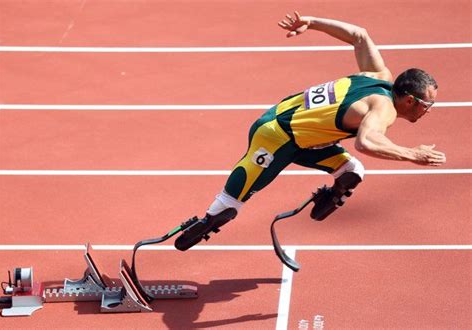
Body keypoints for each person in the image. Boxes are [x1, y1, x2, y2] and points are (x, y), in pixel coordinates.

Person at [174, 11, 447, 251]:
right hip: (276, 136)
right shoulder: (383, 108)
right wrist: (412, 154)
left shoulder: (378, 75)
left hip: (303, 137)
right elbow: (366, 142)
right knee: (230, 204)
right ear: (409, 100)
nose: (430, 110)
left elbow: (360, 36)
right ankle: (205, 222)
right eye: (428, 104)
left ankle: (325, 198)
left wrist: (312, 22)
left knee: (351, 171)